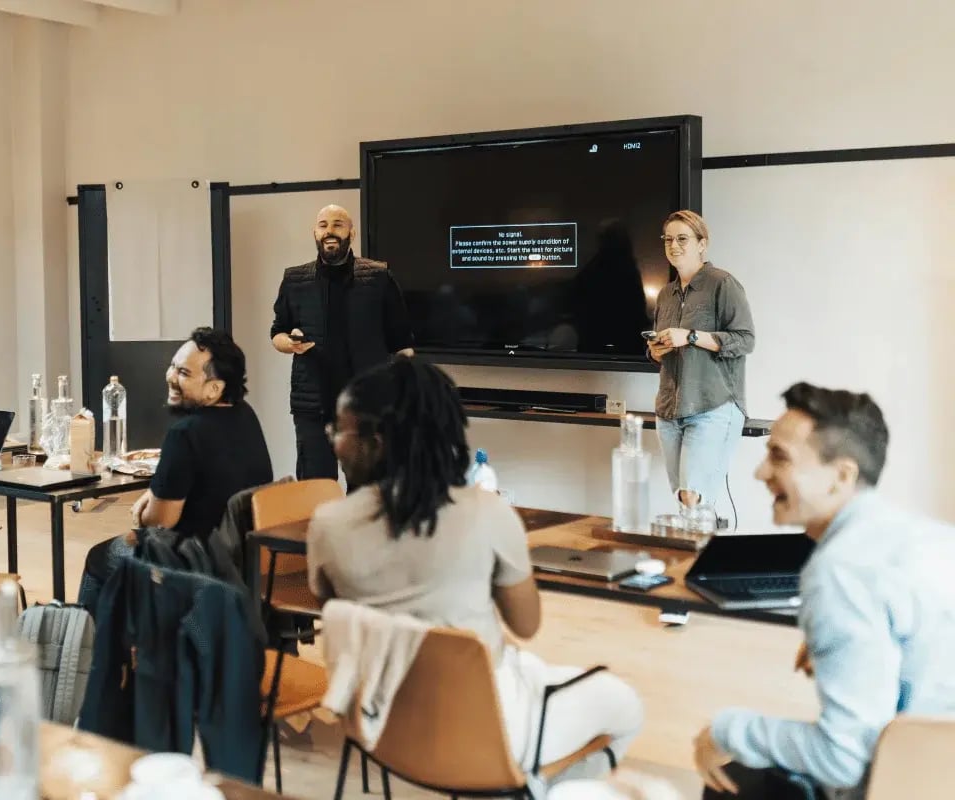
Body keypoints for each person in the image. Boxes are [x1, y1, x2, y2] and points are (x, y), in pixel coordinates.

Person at [307, 357, 643, 793]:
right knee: (626, 706)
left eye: (338, 430)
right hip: (490, 731)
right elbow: (526, 624)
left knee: (533, 673)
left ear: (376, 441)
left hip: (383, 727)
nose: (333, 442)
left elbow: (338, 613)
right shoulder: (488, 511)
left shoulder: (327, 525)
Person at [693, 383, 955, 800]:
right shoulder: (931, 538)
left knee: (733, 784)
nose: (760, 473)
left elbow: (841, 757)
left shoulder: (839, 571)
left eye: (779, 457)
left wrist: (725, 731)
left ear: (841, 476)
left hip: (912, 784)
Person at [78, 327, 273, 612]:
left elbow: (160, 523)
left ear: (214, 388)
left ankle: (87, 640)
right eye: (172, 366)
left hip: (192, 562)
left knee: (99, 557)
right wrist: (155, 493)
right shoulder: (245, 415)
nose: (170, 376)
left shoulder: (185, 433)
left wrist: (141, 512)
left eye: (183, 373)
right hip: (242, 558)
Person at [270, 204, 414, 481]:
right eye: (323, 225)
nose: (330, 231)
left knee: (367, 487)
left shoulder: (378, 277)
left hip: (366, 404)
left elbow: (402, 343)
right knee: (316, 487)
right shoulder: (294, 279)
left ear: (351, 233)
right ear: (315, 232)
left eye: (338, 224)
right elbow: (277, 333)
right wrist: (290, 343)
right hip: (312, 405)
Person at [647, 210, 754, 513]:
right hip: (669, 409)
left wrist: (691, 336)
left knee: (693, 496)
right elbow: (660, 351)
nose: (674, 245)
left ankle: (704, 543)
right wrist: (655, 351)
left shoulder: (723, 284)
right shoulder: (665, 295)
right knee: (686, 500)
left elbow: (745, 340)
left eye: (682, 239)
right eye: (668, 239)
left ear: (702, 244)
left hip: (713, 405)